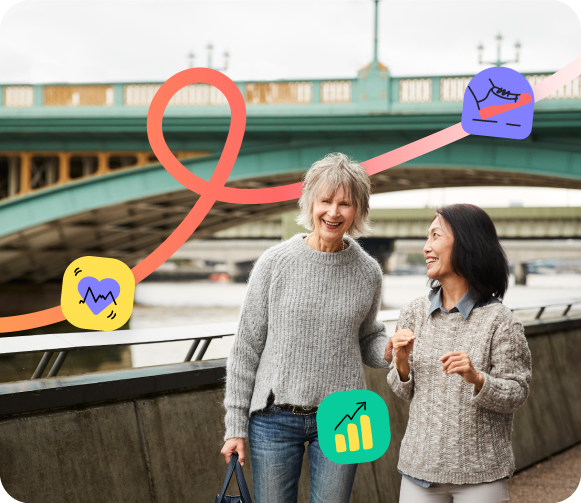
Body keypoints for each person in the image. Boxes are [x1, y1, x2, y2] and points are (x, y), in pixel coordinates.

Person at [220, 152, 391, 503]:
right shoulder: (274, 263)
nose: (333, 212)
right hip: (273, 419)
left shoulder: (368, 272)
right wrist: (235, 427)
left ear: (358, 210)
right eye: (325, 201)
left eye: (345, 203)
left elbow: (369, 338)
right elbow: (246, 348)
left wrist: (390, 350)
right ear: (310, 203)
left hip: (346, 417)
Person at [386, 204, 532, 503]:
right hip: (418, 470)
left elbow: (517, 392)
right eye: (427, 237)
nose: (427, 247)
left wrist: (477, 378)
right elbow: (404, 389)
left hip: (481, 476)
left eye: (436, 235)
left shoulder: (501, 321)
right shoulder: (414, 312)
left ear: (466, 242)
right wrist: (401, 362)